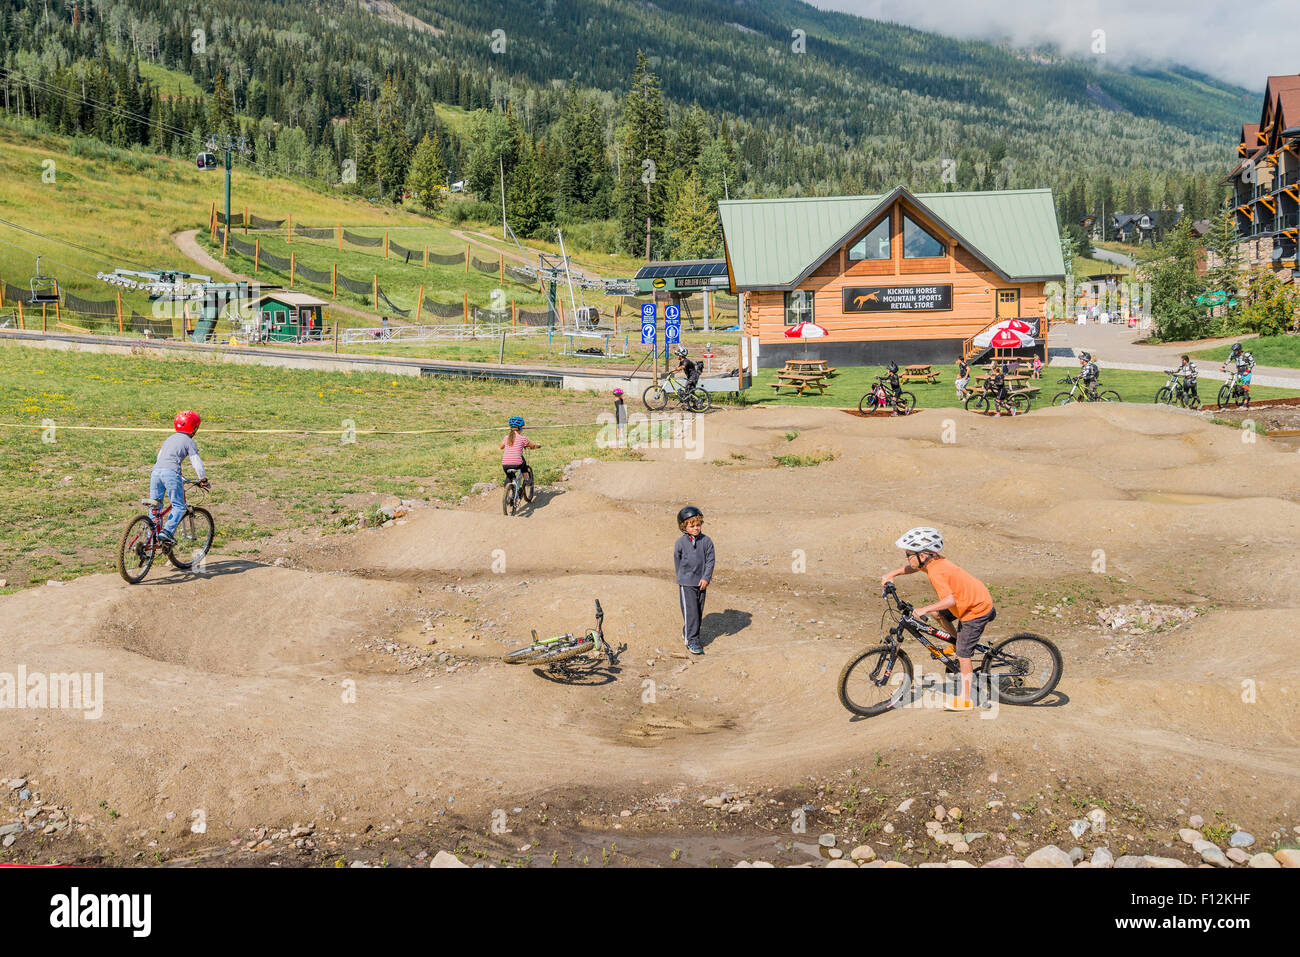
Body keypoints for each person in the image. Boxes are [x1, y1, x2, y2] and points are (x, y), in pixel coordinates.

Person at [881, 527, 996, 712]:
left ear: (924, 554)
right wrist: (893, 574)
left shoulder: (937, 572)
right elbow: (913, 567)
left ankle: (966, 699)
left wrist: (924, 609)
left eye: (909, 554)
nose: (907, 558)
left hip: (976, 609)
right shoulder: (932, 562)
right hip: (968, 599)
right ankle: (955, 642)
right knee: (938, 614)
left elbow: (950, 599)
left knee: (963, 655)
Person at [151, 411, 210, 547]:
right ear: (194, 428)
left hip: (155, 472)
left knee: (155, 506)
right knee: (179, 506)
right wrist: (203, 479)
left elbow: (160, 458)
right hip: (171, 473)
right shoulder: (189, 441)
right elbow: (196, 462)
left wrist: (179, 477)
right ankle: (167, 532)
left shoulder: (169, 438)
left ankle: (151, 537)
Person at [674, 506, 714, 656]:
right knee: (691, 612)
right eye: (692, 526)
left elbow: (710, 561)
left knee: (698, 611)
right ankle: (692, 640)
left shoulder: (707, 541)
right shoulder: (680, 543)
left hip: (701, 583)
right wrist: (682, 578)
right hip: (686, 583)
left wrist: (706, 578)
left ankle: (687, 632)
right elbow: (677, 560)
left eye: (698, 525)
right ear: (684, 527)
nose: (696, 528)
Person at [500, 415, 540, 499]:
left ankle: (508, 488)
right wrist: (537, 445)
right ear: (521, 428)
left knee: (510, 476)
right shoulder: (523, 438)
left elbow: (501, 447)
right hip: (517, 463)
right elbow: (532, 446)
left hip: (505, 464)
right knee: (523, 462)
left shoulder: (506, 437)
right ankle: (526, 480)